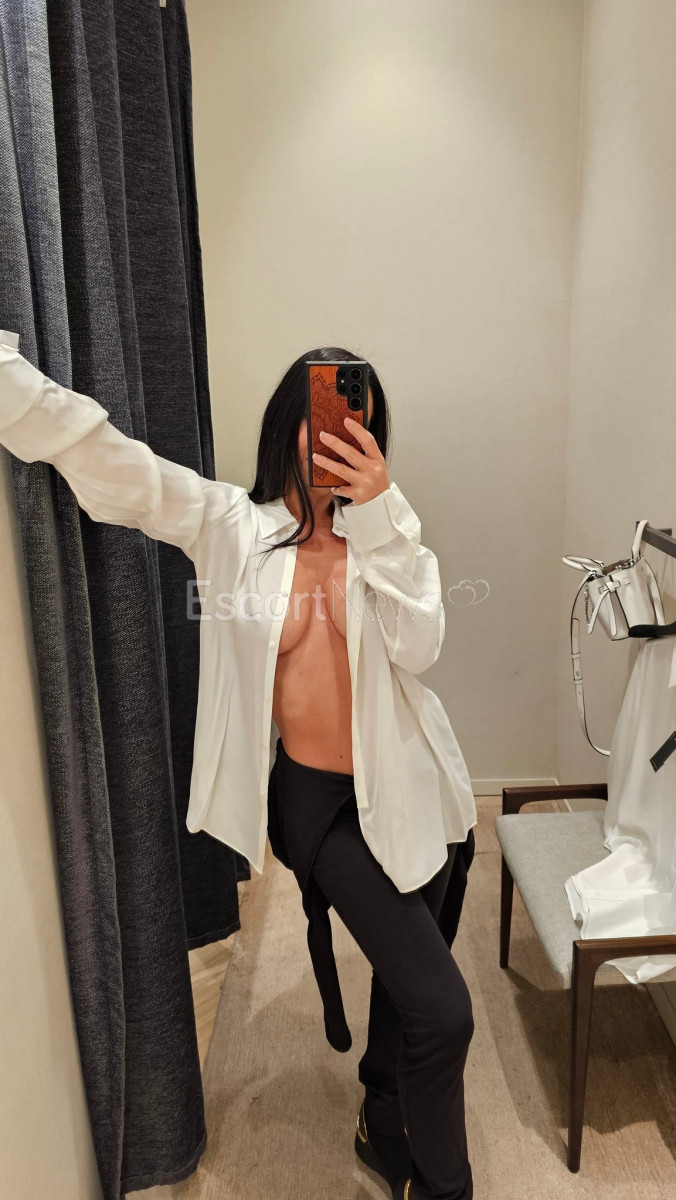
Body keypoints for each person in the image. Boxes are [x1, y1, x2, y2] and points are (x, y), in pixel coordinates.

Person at [0, 333, 477, 1200]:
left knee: (411, 980)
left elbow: (421, 648)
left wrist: (384, 513)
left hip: (418, 780)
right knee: (446, 1014)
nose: (339, 434)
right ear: (289, 421)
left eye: (358, 421)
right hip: (318, 802)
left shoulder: (389, 533)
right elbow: (113, 461)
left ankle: (384, 1115)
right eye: (325, 415)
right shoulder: (232, 528)